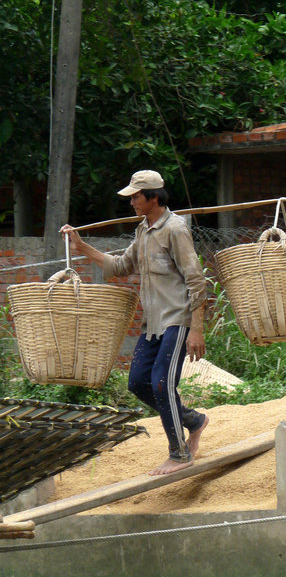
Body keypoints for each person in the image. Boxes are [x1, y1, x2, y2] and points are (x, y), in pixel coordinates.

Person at [61, 170, 210, 475]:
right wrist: (81, 247)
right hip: (153, 323)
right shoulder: (143, 230)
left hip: (178, 319)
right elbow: (120, 266)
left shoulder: (175, 230)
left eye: (136, 197)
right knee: (138, 383)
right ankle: (193, 420)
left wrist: (197, 329)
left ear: (153, 198)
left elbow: (196, 281)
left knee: (161, 382)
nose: (131, 202)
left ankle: (179, 453)